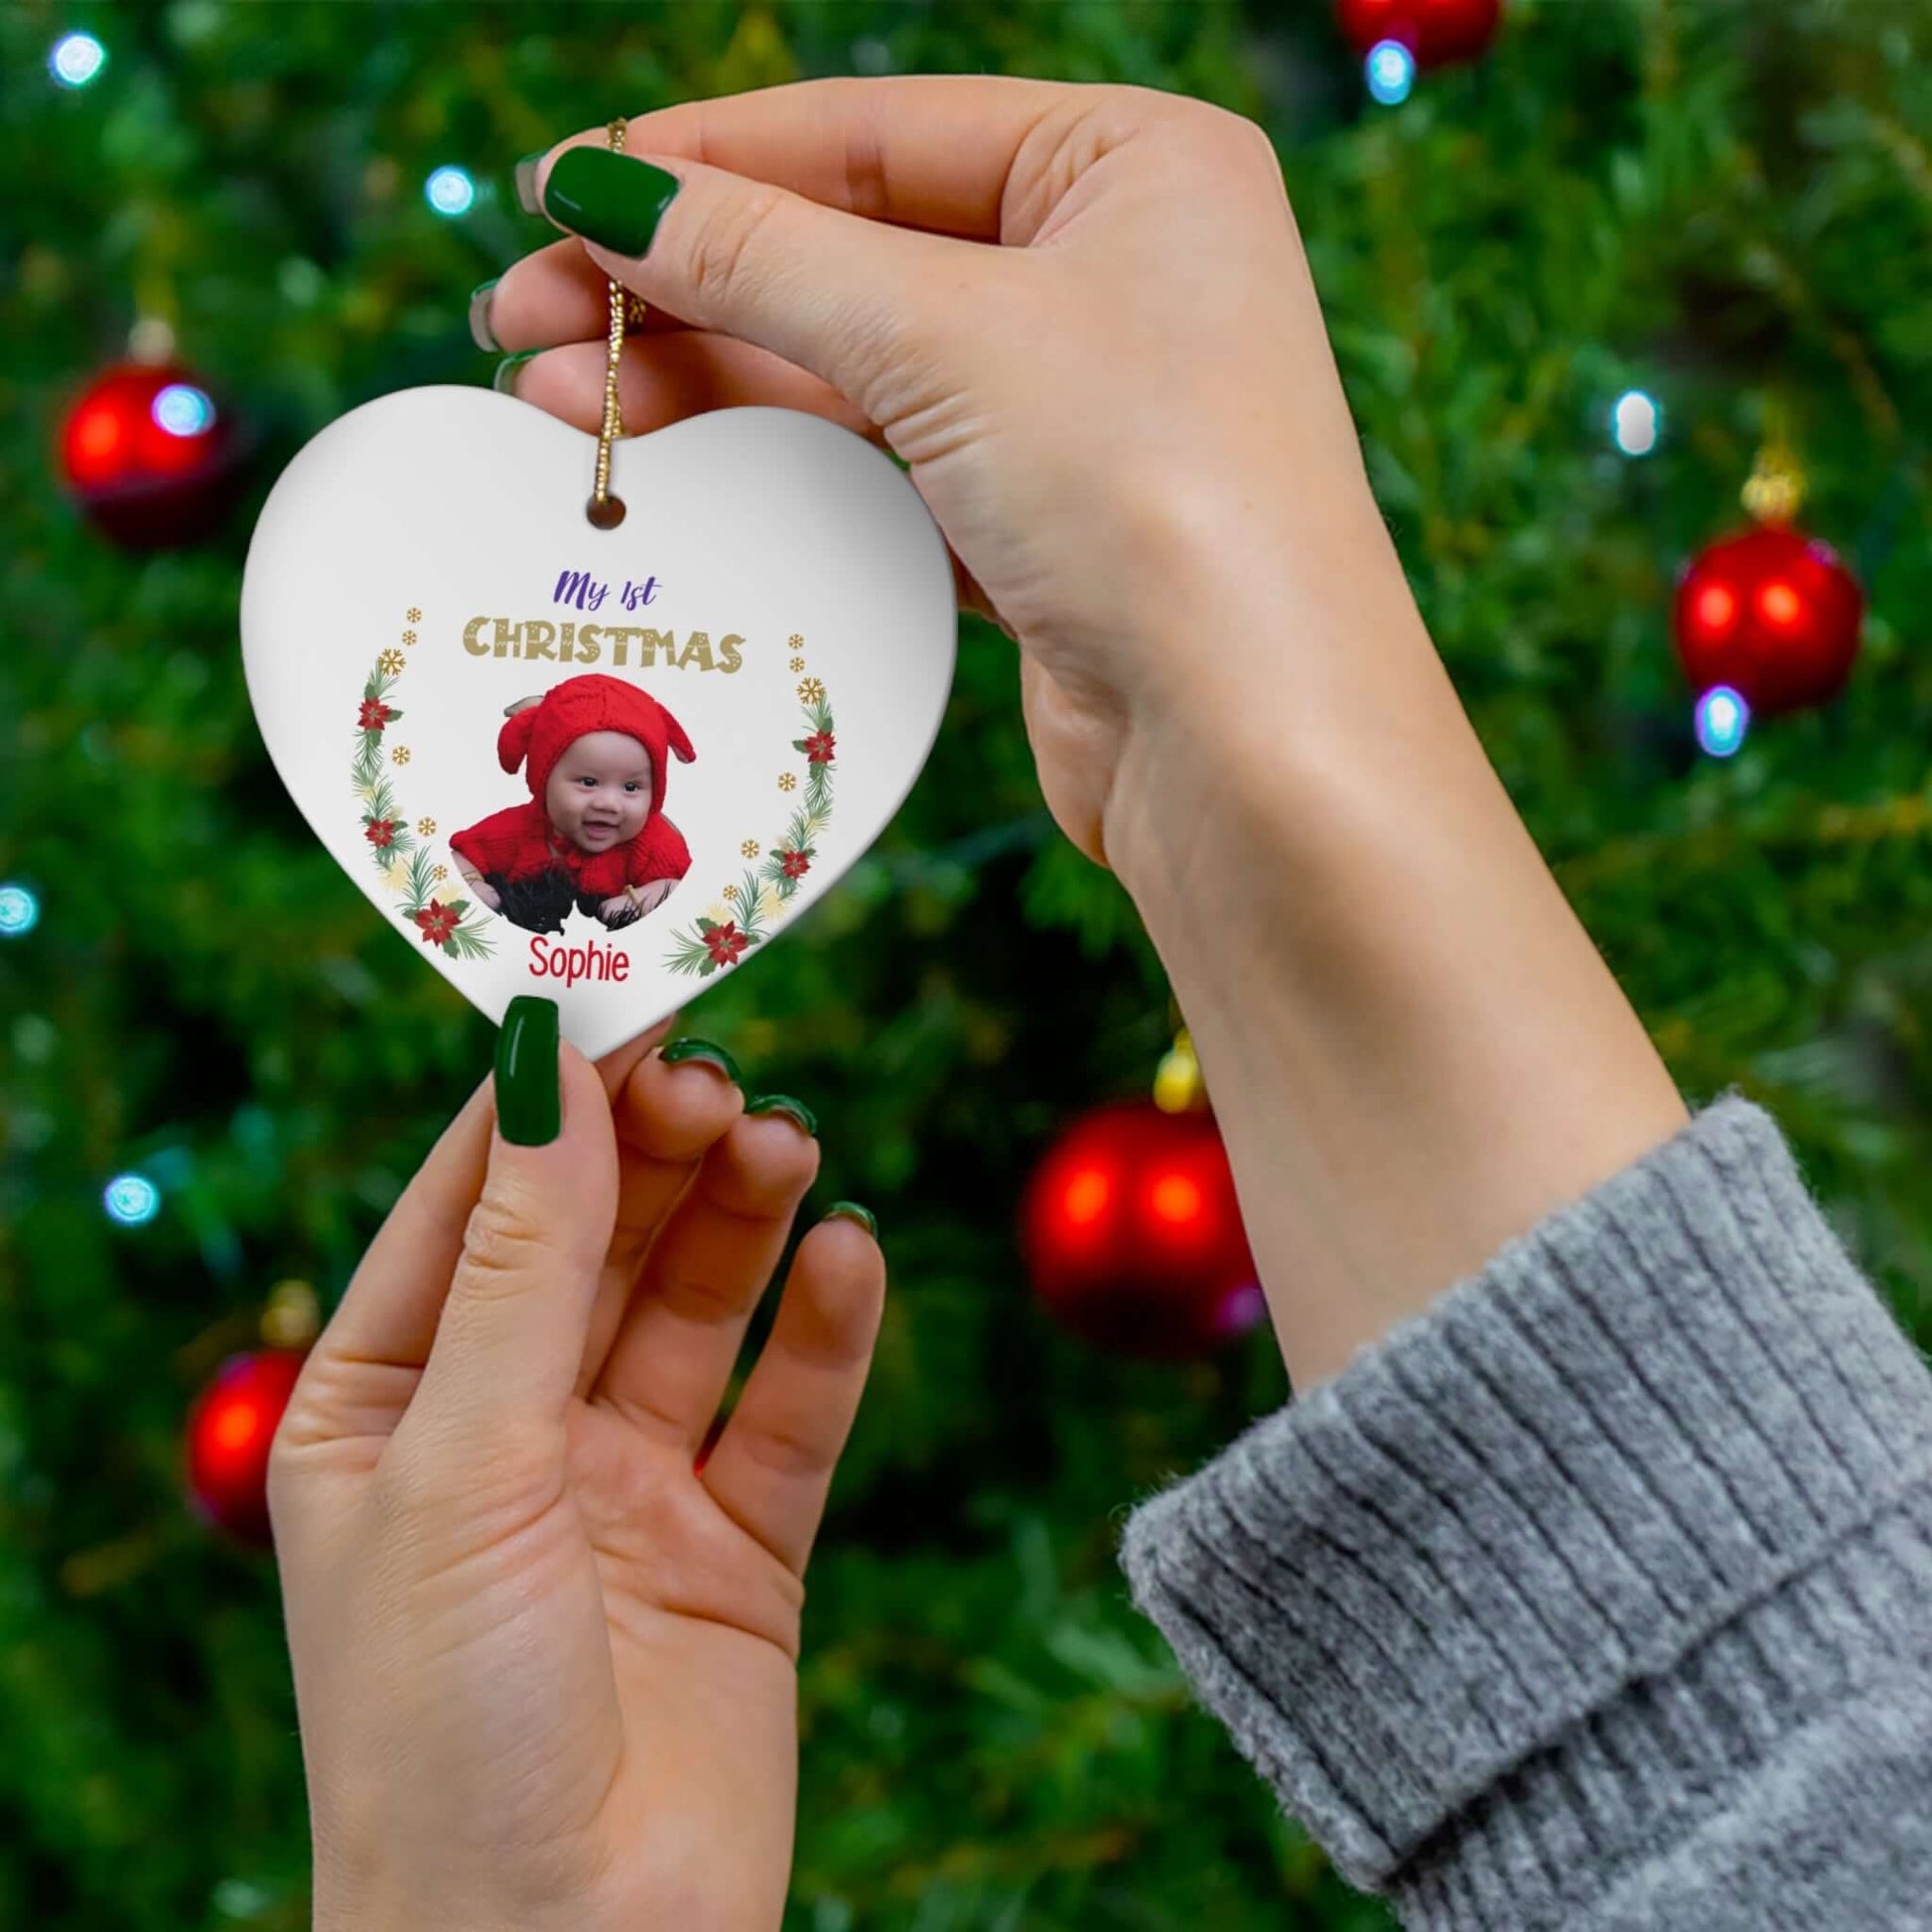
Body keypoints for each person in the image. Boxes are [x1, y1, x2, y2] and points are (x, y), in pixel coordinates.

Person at [267, 74, 1932, 1932]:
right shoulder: (501, 834)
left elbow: (1793, 1786)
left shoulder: (661, 849)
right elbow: (1790, 1784)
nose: (595, 813)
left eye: (621, 793)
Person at [448, 672, 696, 935]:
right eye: (588, 782)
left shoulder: (653, 843)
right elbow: (460, 857)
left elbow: (687, 887)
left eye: (631, 787)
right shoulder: (518, 829)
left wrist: (639, 900)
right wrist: (474, 885)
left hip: (616, 964)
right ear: (544, 779)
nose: (609, 803)